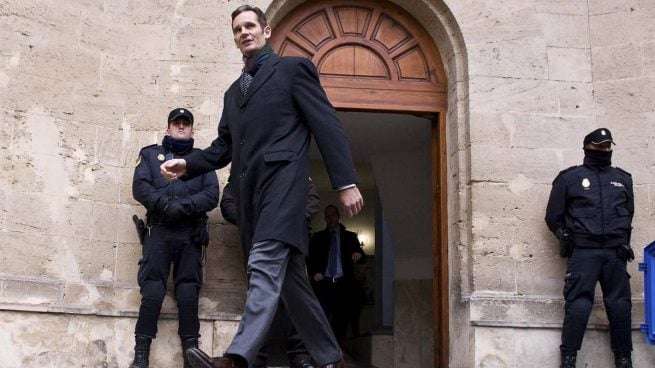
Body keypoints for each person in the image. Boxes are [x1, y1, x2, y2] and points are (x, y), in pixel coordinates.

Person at [159, 5, 364, 368]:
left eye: (250, 25)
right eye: (238, 29)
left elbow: (326, 125)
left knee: (264, 266)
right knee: (292, 284)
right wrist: (188, 163)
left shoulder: (292, 70)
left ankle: (237, 359)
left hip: (285, 189)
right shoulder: (232, 93)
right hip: (252, 199)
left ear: (266, 31)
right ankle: (333, 359)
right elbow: (223, 148)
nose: (244, 32)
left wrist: (345, 182)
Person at [130, 108, 219, 368]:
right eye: (176, 123)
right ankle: (141, 354)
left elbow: (212, 194)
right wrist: (165, 205)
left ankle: (191, 354)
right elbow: (140, 187)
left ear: (192, 129)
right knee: (153, 291)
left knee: (188, 292)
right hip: (159, 230)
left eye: (186, 124)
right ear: (168, 128)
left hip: (189, 233)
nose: (181, 127)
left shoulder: (201, 160)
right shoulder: (149, 155)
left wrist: (185, 206)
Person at [545, 128, 635, 368]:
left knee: (620, 306)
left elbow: (629, 214)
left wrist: (624, 242)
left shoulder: (623, 179)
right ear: (587, 147)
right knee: (579, 305)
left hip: (615, 253)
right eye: (599, 146)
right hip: (584, 252)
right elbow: (554, 216)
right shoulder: (570, 178)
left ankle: (624, 358)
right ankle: (569, 358)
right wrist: (565, 236)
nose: (604, 150)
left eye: (608, 146)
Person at [220, 177, 320, 368]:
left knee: (296, 299)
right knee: (258, 299)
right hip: (258, 243)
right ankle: (256, 355)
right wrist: (253, 222)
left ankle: (300, 355)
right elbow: (228, 204)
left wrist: (291, 221)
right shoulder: (244, 170)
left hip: (290, 241)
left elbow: (311, 200)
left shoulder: (292, 165)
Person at [308, 205, 368, 346]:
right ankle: (321, 350)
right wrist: (314, 273)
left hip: (343, 284)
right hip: (324, 283)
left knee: (340, 321)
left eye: (333, 215)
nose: (331, 218)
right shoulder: (318, 238)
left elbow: (364, 257)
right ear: (325, 218)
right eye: (327, 216)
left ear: (338, 216)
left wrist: (358, 254)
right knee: (320, 317)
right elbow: (309, 259)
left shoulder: (350, 237)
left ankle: (336, 353)